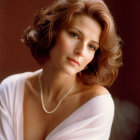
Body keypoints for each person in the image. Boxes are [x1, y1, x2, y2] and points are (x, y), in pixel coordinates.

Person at [0, 0, 122, 139]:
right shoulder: (10, 89)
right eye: (75, 35)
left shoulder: (96, 105)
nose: (81, 51)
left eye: (91, 46)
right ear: (53, 31)